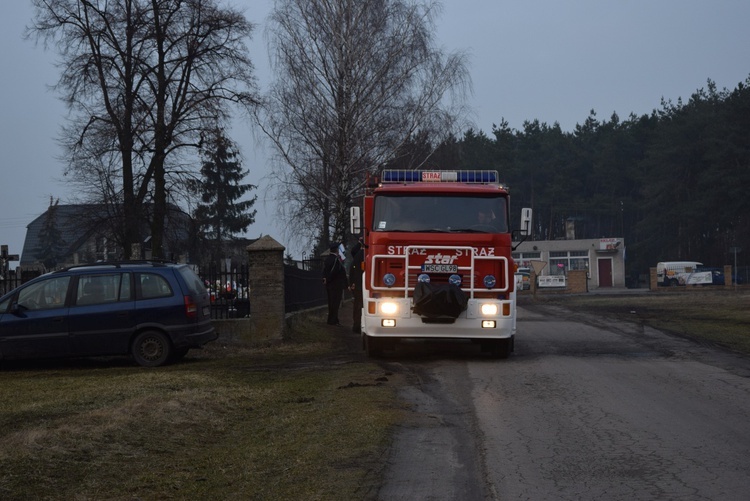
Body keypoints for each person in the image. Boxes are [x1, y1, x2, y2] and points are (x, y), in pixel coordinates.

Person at [322, 243, 347, 325]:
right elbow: (335, 272)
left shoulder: (327, 259)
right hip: (336, 284)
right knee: (335, 303)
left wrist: (325, 279)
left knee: (331, 302)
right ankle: (333, 320)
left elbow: (325, 271)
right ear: (336, 250)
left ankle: (331, 319)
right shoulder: (336, 260)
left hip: (329, 285)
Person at [348, 237, 365, 334]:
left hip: (357, 285)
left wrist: (351, 283)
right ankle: (360, 325)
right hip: (364, 284)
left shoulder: (357, 256)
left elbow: (352, 271)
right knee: (361, 306)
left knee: (357, 306)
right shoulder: (367, 254)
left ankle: (356, 325)